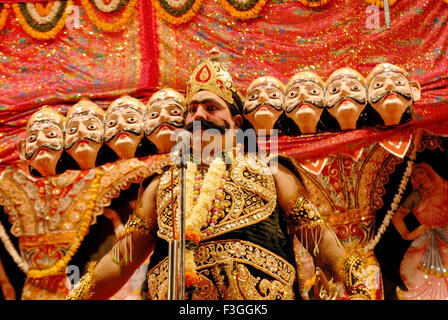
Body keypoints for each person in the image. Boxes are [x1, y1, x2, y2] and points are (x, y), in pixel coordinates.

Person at [67, 53, 371, 300]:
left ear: (236, 123)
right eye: (193, 109)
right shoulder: (160, 186)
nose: (199, 115)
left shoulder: (272, 171)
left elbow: (319, 243)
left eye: (211, 107)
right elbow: (120, 263)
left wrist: (355, 286)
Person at [392, 162, 448, 300]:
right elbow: (397, 216)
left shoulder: (444, 187)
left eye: (420, 172)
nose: (418, 176)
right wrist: (408, 234)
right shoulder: (416, 196)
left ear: (428, 172)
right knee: (418, 271)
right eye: (415, 175)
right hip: (426, 238)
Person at [284, 71, 325, 135]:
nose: (302, 94)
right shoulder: (273, 141)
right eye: (292, 94)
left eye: (314, 91)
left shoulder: (342, 137)